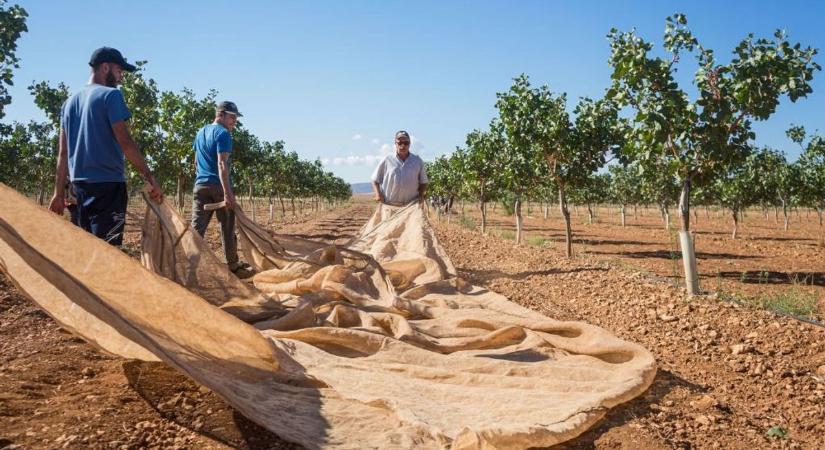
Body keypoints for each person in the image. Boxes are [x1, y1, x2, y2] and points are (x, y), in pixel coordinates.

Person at [48, 47, 163, 246]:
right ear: (105, 67)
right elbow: (125, 142)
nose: (121, 78)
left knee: (84, 248)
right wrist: (150, 177)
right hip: (107, 187)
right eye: (119, 72)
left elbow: (63, 152)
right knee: (108, 252)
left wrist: (58, 193)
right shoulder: (111, 96)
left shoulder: (68, 103)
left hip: (77, 189)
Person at [190, 101, 252, 277]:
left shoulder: (200, 132)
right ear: (221, 114)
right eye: (232, 117)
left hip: (200, 186)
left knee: (196, 230)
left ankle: (187, 268)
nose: (234, 121)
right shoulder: (223, 134)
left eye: (236, 118)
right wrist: (227, 193)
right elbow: (222, 164)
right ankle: (233, 267)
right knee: (227, 227)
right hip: (218, 186)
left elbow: (195, 161)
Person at [371, 130, 428, 205]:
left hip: (412, 206)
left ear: (409, 144)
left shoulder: (417, 161)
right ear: (395, 143)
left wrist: (421, 196)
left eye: (406, 143)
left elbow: (423, 182)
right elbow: (375, 180)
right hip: (389, 205)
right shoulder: (387, 160)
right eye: (400, 143)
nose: (403, 145)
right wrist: (378, 194)